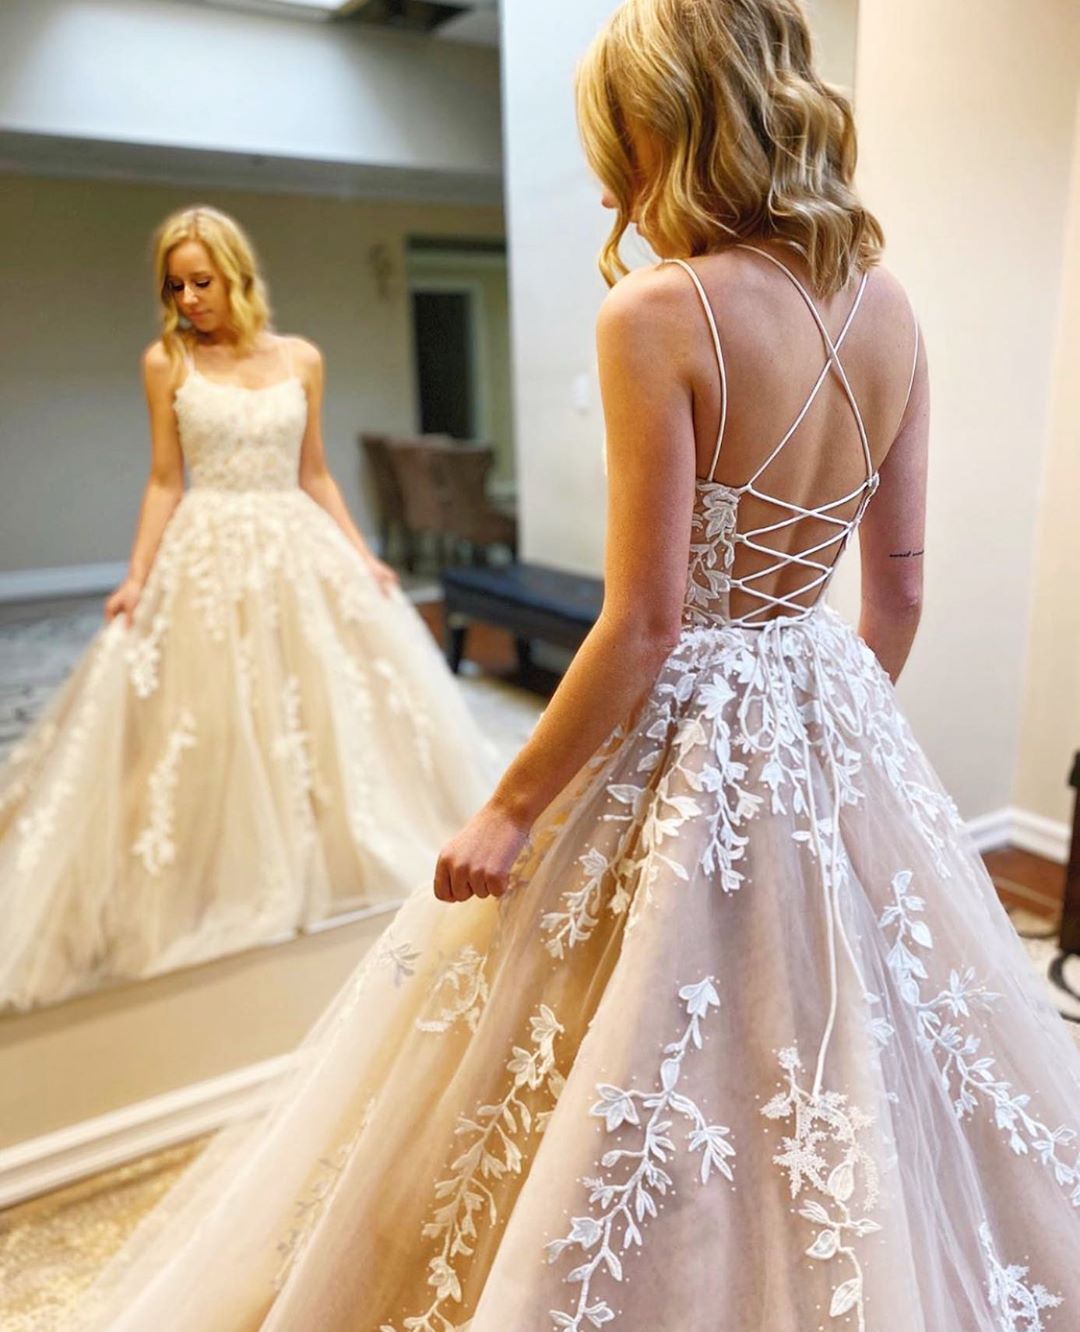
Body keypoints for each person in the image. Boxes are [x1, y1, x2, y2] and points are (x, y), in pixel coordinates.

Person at [69, 3, 1080, 1329]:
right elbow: (899, 594)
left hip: (690, 712)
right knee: (842, 1035)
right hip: (833, 705)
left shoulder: (657, 313)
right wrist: (813, 743)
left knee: (635, 1036)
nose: (608, 189)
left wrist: (511, 804)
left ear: (672, 128)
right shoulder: (888, 304)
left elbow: (643, 624)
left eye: (619, 147)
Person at [0, 205, 493, 1011]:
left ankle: (327, 856)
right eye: (175, 285)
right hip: (209, 548)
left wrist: (363, 554)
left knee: (328, 705)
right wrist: (136, 575)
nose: (189, 298)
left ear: (236, 275)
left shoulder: (301, 358)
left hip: (296, 542)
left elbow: (316, 471)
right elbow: (165, 478)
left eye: (202, 281)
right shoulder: (167, 362)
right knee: (214, 713)